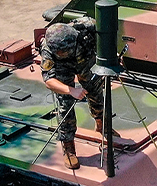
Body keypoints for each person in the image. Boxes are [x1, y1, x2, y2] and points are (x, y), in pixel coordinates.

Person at [40, 18, 111, 169]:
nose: (63, 52)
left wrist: (111, 56)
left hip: (85, 61)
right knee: (65, 104)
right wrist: (71, 90)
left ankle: (101, 125)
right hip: (62, 69)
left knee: (95, 90)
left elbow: (106, 37)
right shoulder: (48, 48)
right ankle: (68, 147)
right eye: (61, 51)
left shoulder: (86, 29)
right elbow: (49, 80)